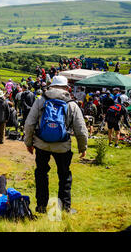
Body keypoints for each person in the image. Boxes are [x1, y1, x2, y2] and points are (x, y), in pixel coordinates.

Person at [24, 76, 88, 214]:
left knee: (41, 174)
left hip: (41, 144)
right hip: (63, 146)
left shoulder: (40, 100)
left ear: (51, 86)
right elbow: (81, 129)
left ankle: (41, 206)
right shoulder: (71, 104)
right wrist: (83, 148)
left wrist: (29, 143)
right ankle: (65, 207)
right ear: (66, 88)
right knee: (64, 176)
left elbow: (29, 123)